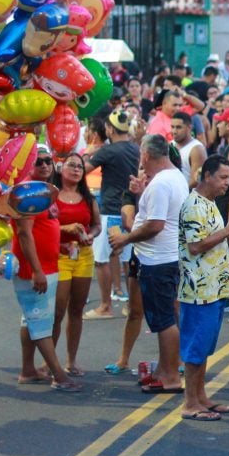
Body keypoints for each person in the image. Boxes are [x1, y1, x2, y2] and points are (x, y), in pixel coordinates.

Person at [109, 134, 190, 394]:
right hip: (168, 257)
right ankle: (165, 370)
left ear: (145, 155)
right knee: (166, 318)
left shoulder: (161, 184)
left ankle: (170, 377)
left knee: (164, 320)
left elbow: (154, 225)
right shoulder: (175, 176)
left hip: (158, 260)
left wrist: (125, 238)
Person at [178, 155, 229, 421]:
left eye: (228, 178)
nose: (227, 183)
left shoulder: (209, 203)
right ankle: (190, 403)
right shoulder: (193, 204)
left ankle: (201, 397)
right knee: (195, 349)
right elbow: (195, 246)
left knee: (204, 347)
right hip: (198, 291)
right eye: (222, 177)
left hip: (213, 288)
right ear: (206, 176)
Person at [12, 146, 82, 392]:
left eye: (47, 161)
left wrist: (59, 247)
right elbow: (23, 233)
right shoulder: (27, 193)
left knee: (31, 319)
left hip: (49, 265)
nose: (43, 165)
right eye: (38, 162)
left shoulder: (45, 192)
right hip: (35, 270)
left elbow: (46, 227)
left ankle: (28, 370)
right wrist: (36, 270)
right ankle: (59, 375)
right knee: (41, 322)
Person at [85, 110, 141, 317]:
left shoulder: (108, 151)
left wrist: (87, 152)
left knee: (101, 260)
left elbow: (81, 170)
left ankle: (105, 306)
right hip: (129, 209)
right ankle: (130, 306)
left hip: (109, 209)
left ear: (109, 128)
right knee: (126, 260)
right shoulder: (134, 149)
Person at [53, 153, 101, 378]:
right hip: (60, 255)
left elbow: (97, 225)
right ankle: (50, 362)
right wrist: (67, 229)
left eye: (80, 167)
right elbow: (43, 225)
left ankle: (71, 361)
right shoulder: (51, 195)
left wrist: (90, 235)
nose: (76, 170)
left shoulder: (87, 197)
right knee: (58, 310)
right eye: (71, 165)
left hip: (83, 255)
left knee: (76, 310)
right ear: (61, 169)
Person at [170, 112, 207, 189]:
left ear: (189, 128)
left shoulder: (197, 149)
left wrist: (180, 193)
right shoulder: (170, 144)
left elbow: (196, 180)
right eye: (172, 127)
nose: (174, 131)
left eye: (179, 127)